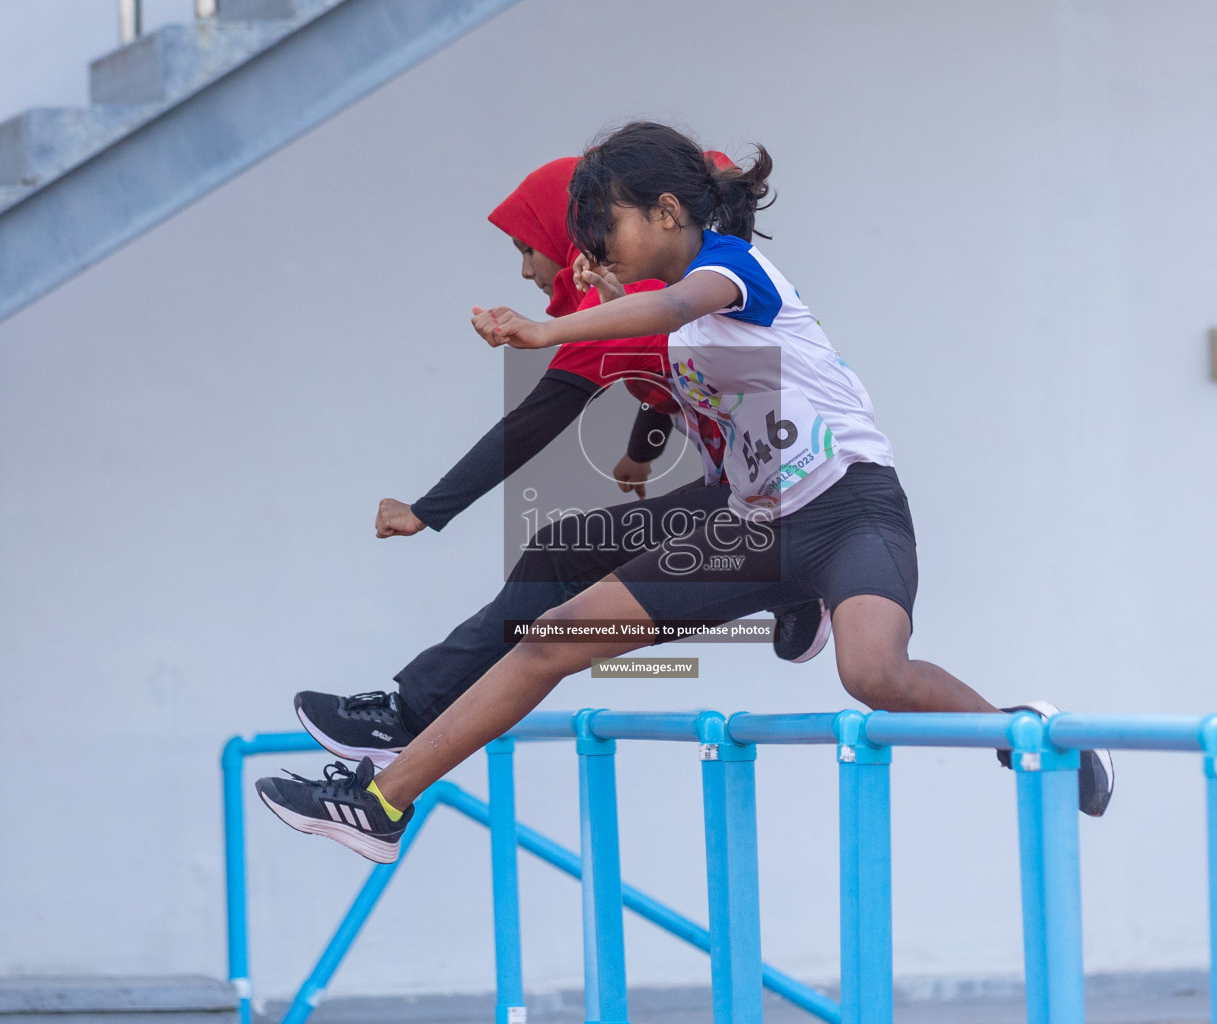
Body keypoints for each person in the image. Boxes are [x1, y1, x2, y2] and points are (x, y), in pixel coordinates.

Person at [258, 123, 1113, 863]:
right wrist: (637, 445)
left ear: (667, 211)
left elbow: (672, 306)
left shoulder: (733, 272)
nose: (593, 252)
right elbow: (686, 389)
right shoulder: (658, 307)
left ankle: (1018, 733)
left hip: (848, 509)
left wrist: (549, 326)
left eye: (606, 229)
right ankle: (378, 804)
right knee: (550, 636)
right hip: (749, 527)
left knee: (874, 673)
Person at [295, 156, 829, 765]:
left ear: (567, 229)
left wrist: (425, 510)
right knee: (560, 559)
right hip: (752, 483)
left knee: (556, 565)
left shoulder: (629, 303)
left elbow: (534, 422)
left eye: (528, 248)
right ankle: (797, 592)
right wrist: (638, 454)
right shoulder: (638, 290)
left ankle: (408, 716)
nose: (526, 269)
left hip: (776, 491)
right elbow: (666, 382)